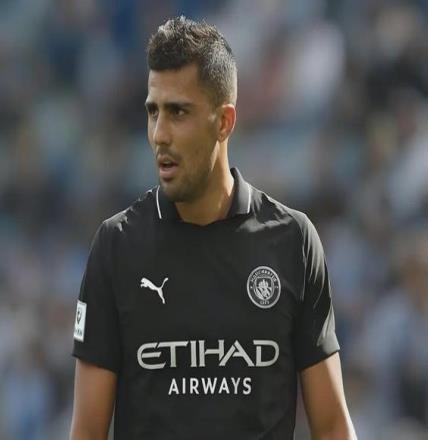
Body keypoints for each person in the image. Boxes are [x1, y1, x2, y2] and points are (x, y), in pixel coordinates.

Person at [70, 16, 356, 440]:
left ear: (224, 122)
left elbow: (332, 425)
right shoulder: (117, 246)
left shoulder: (293, 241)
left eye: (178, 112)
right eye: (153, 112)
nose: (159, 135)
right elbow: (88, 432)